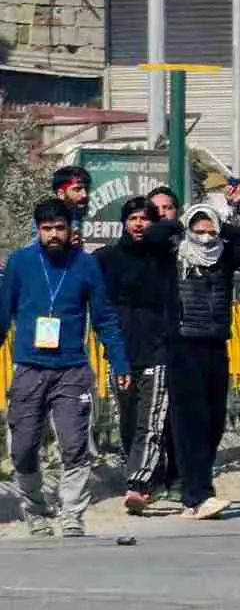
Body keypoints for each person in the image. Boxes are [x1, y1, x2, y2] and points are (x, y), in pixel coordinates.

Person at [1, 199, 131, 537]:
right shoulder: (20, 263)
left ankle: (72, 513)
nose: (54, 235)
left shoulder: (86, 265)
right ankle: (35, 510)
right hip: (29, 368)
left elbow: (104, 318)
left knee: (74, 445)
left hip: (72, 369)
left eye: (60, 228)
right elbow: (2, 313)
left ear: (71, 229)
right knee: (23, 448)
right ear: (37, 230)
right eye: (47, 229)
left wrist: (119, 361)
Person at [147, 204, 240, 521]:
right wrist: (180, 224)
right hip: (182, 345)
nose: (205, 238)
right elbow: (151, 236)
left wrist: (222, 227)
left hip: (215, 344)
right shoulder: (174, 255)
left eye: (210, 231)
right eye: (199, 231)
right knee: (191, 422)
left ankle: (196, 490)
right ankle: (197, 494)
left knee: (214, 422)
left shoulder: (224, 256)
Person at [96, 196, 178, 514]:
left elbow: (176, 228)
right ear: (124, 222)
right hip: (120, 354)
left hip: (158, 351)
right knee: (128, 421)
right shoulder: (106, 258)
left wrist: (160, 230)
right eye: (133, 218)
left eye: (146, 218)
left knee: (151, 422)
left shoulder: (165, 256)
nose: (139, 224)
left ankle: (138, 484)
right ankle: (140, 476)